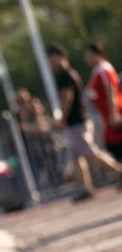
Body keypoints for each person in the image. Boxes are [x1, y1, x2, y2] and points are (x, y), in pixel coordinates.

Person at [47, 43, 122, 201]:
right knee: (76, 157)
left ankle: (119, 171)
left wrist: (62, 119)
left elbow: (67, 97)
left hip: (77, 120)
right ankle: (85, 188)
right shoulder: (70, 73)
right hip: (77, 121)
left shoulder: (67, 74)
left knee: (91, 152)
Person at [83, 43, 122, 162]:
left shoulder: (104, 70)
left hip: (113, 117)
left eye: (89, 55)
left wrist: (113, 114)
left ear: (97, 54)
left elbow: (111, 92)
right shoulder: (98, 70)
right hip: (106, 119)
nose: (86, 59)